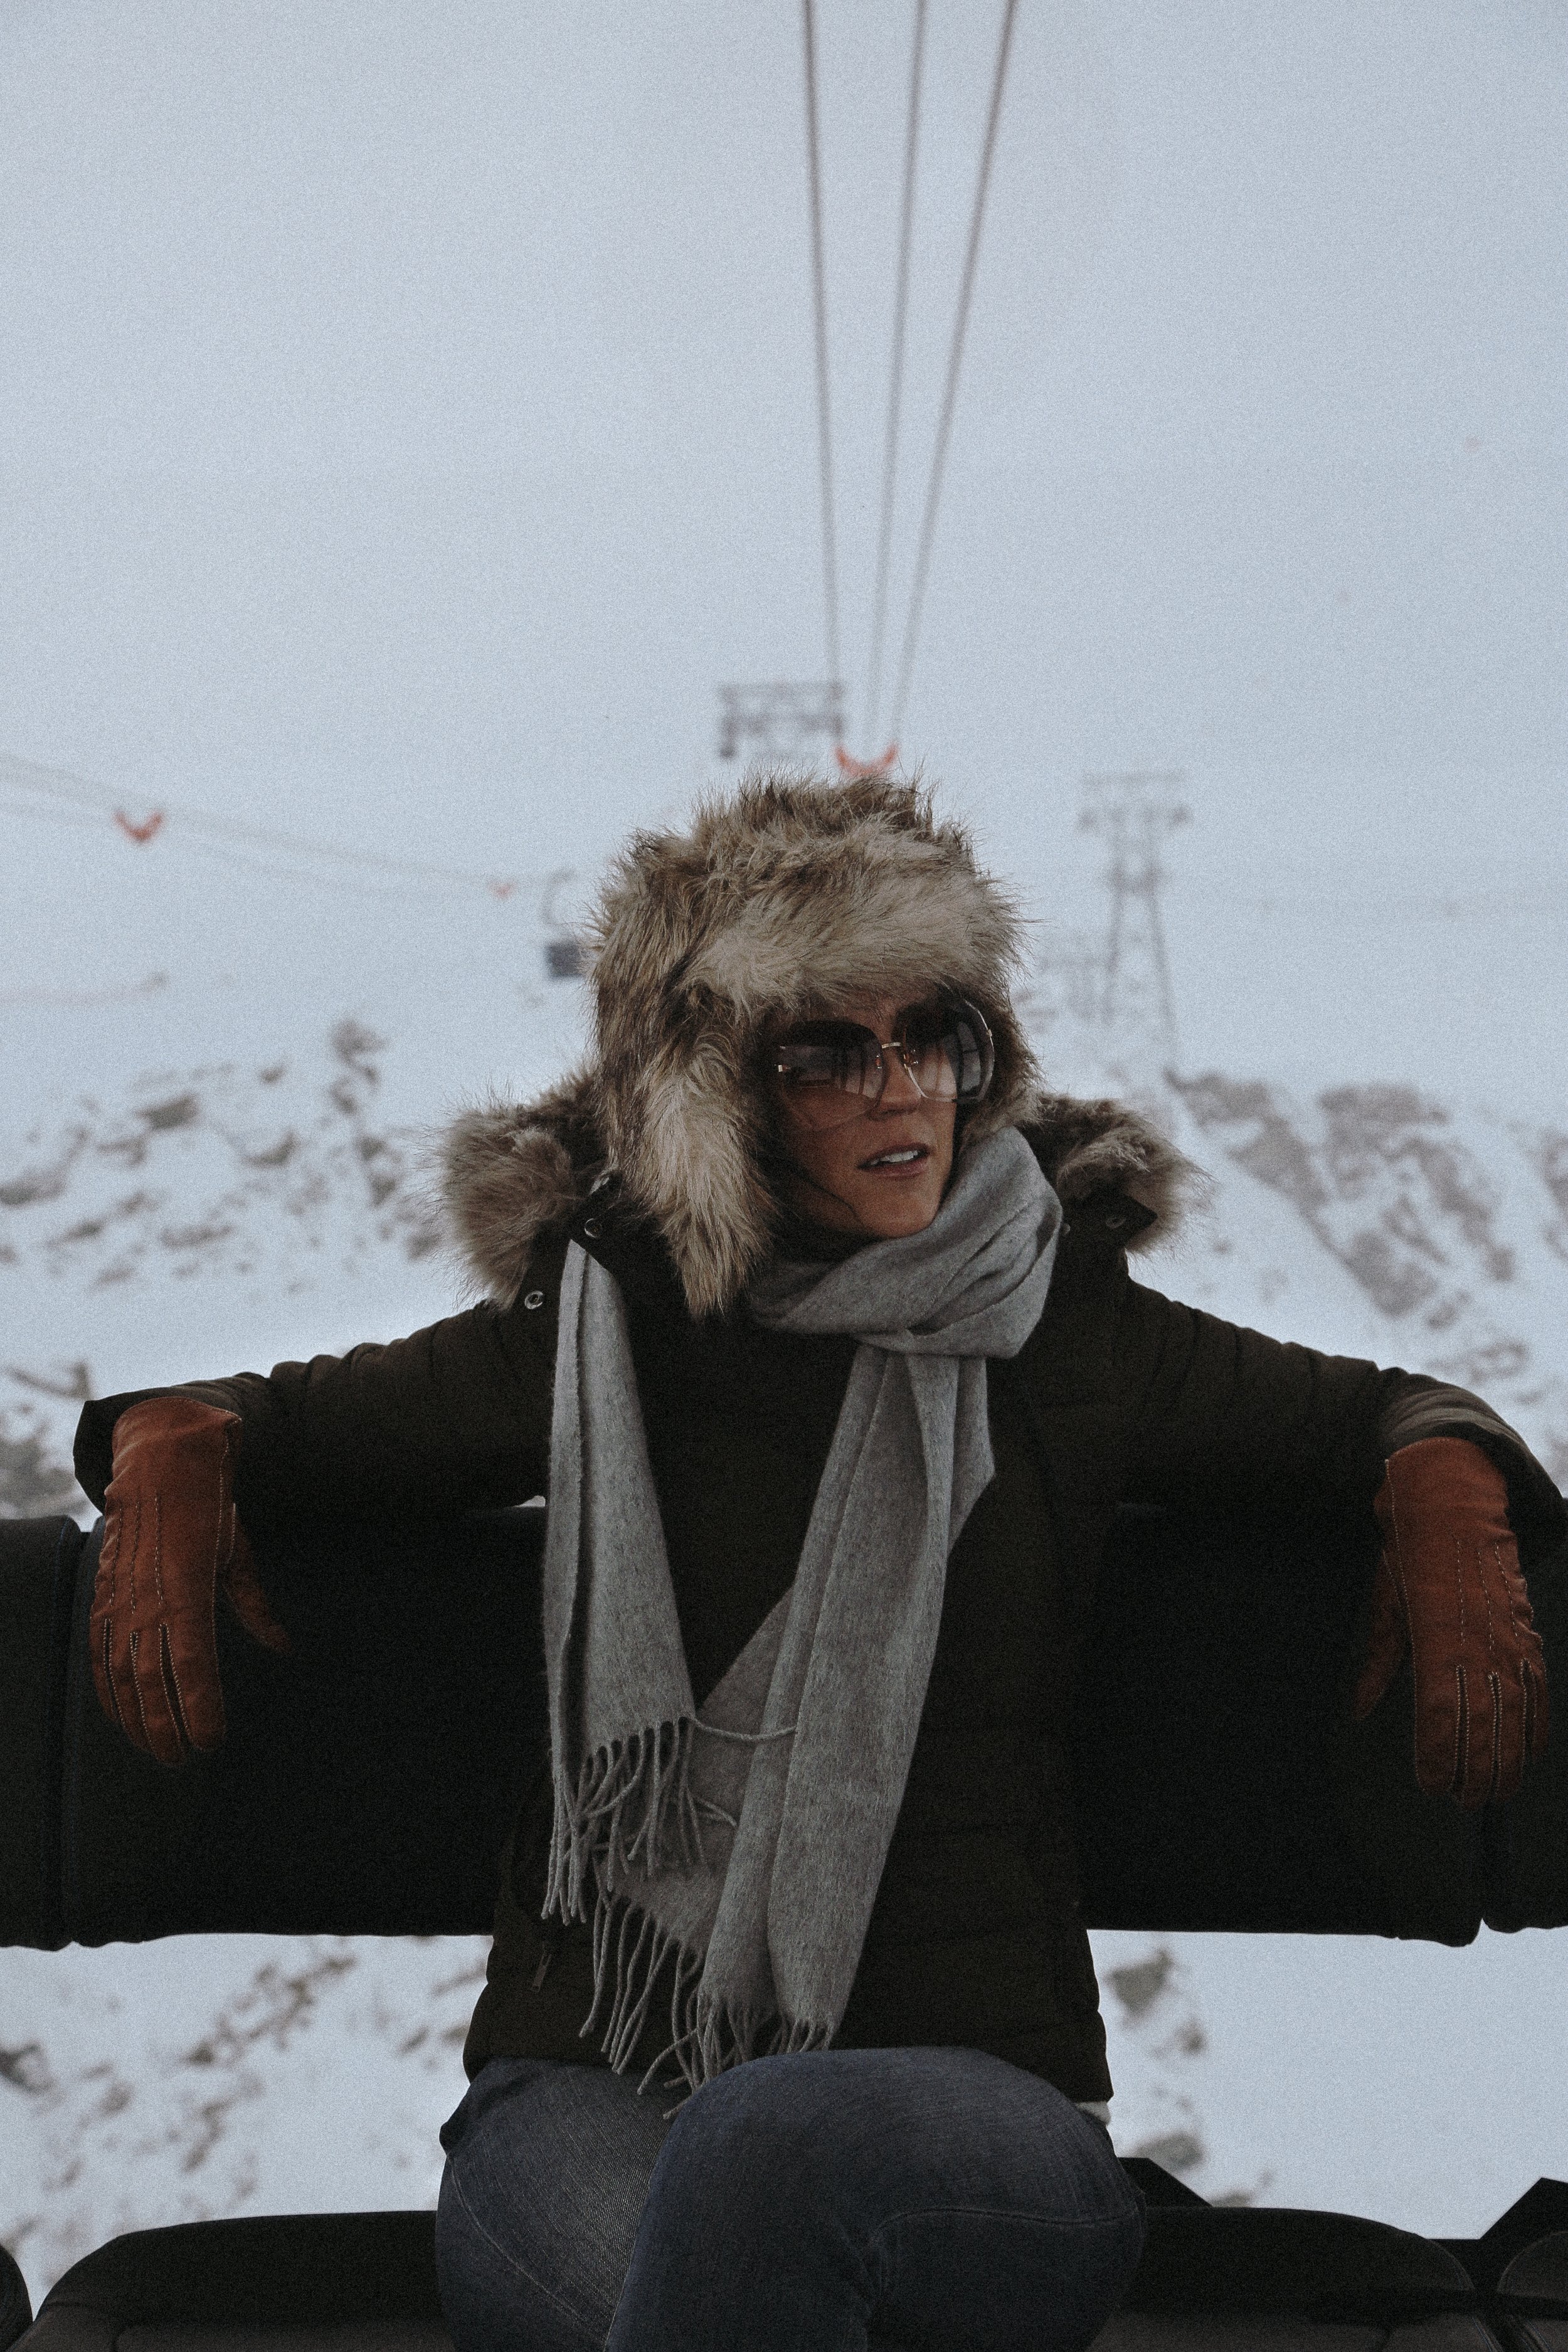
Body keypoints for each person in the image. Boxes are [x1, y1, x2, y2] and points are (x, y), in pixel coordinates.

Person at [75, 773, 1560, 2352]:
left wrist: (1442, 1495)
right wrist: (168, 1453)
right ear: (715, 1089)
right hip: (587, 2092)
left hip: (981, 2114)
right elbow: (283, 1422)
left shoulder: (1064, 1327)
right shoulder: (602, 1331)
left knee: (762, 2153)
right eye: (828, 1050)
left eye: (937, 1035)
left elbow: (1375, 1412)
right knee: (731, 2213)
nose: (899, 1088)